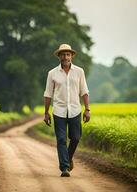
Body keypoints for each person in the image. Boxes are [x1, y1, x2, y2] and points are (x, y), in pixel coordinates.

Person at [43, 43, 91, 177]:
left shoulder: (79, 72)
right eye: (63, 54)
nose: (65, 57)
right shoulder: (52, 74)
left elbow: (84, 92)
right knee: (61, 140)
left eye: (68, 54)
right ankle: (64, 167)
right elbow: (48, 94)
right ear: (59, 57)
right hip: (59, 111)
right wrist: (46, 113)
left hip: (75, 110)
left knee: (75, 138)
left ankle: (68, 158)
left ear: (72, 56)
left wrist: (87, 109)